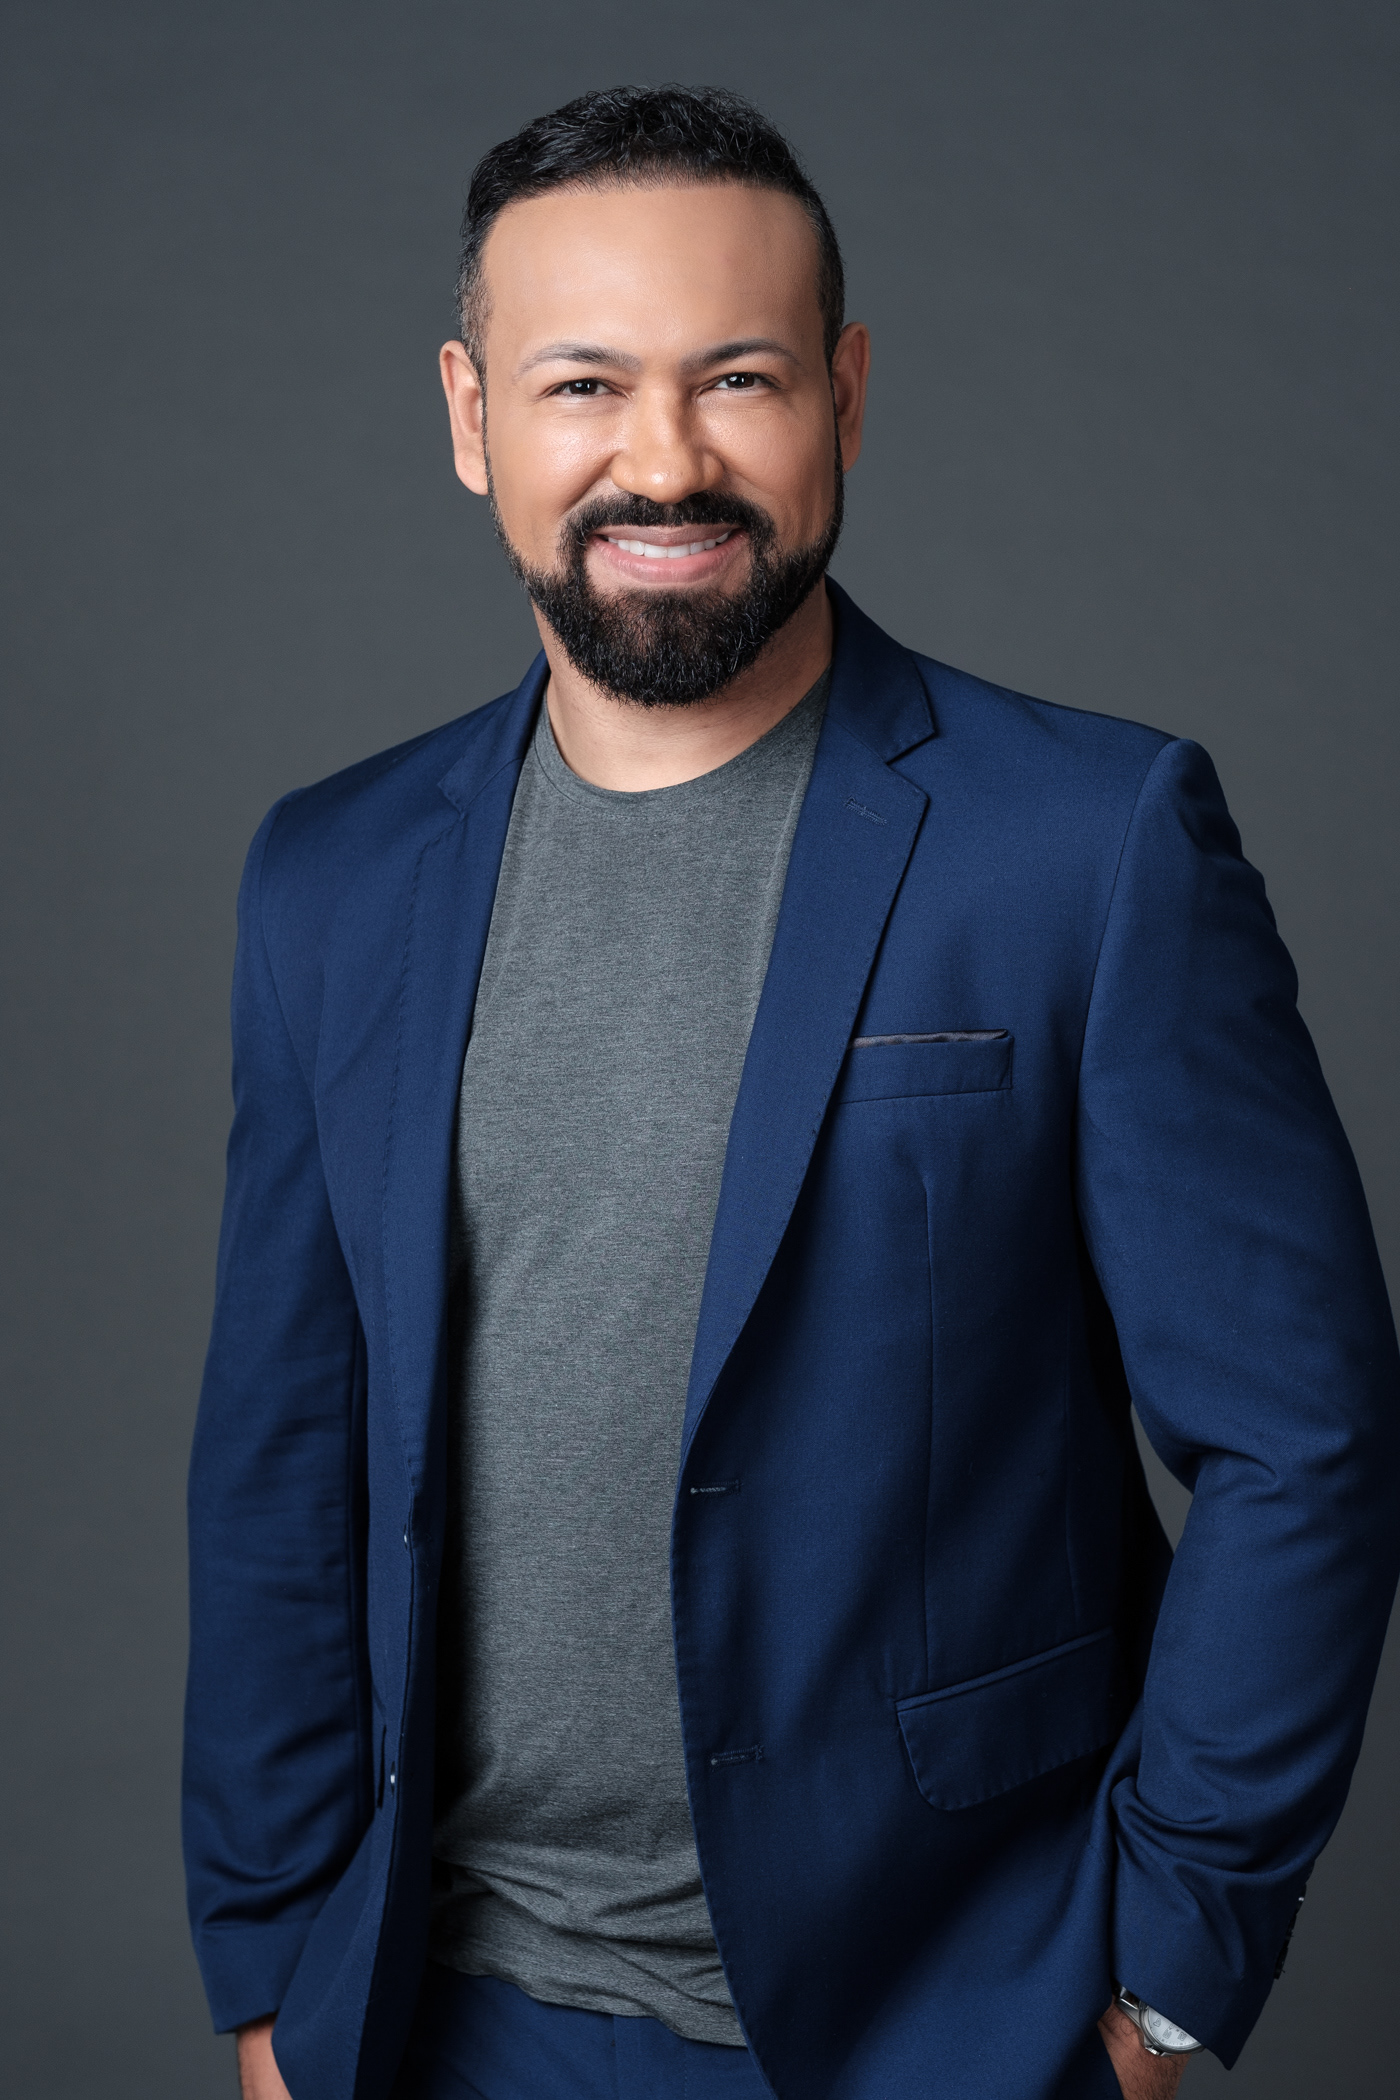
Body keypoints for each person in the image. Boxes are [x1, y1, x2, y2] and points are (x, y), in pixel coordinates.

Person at [183, 84, 1400, 2100]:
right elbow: (278, 1460)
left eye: (736, 378)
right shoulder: (330, 875)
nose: (664, 459)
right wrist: (265, 1969)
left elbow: (1307, 1436)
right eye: (583, 385)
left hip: (943, 2017)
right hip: (429, 2014)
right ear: (473, 418)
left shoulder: (1088, 845)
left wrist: (1163, 1981)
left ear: (843, 395)